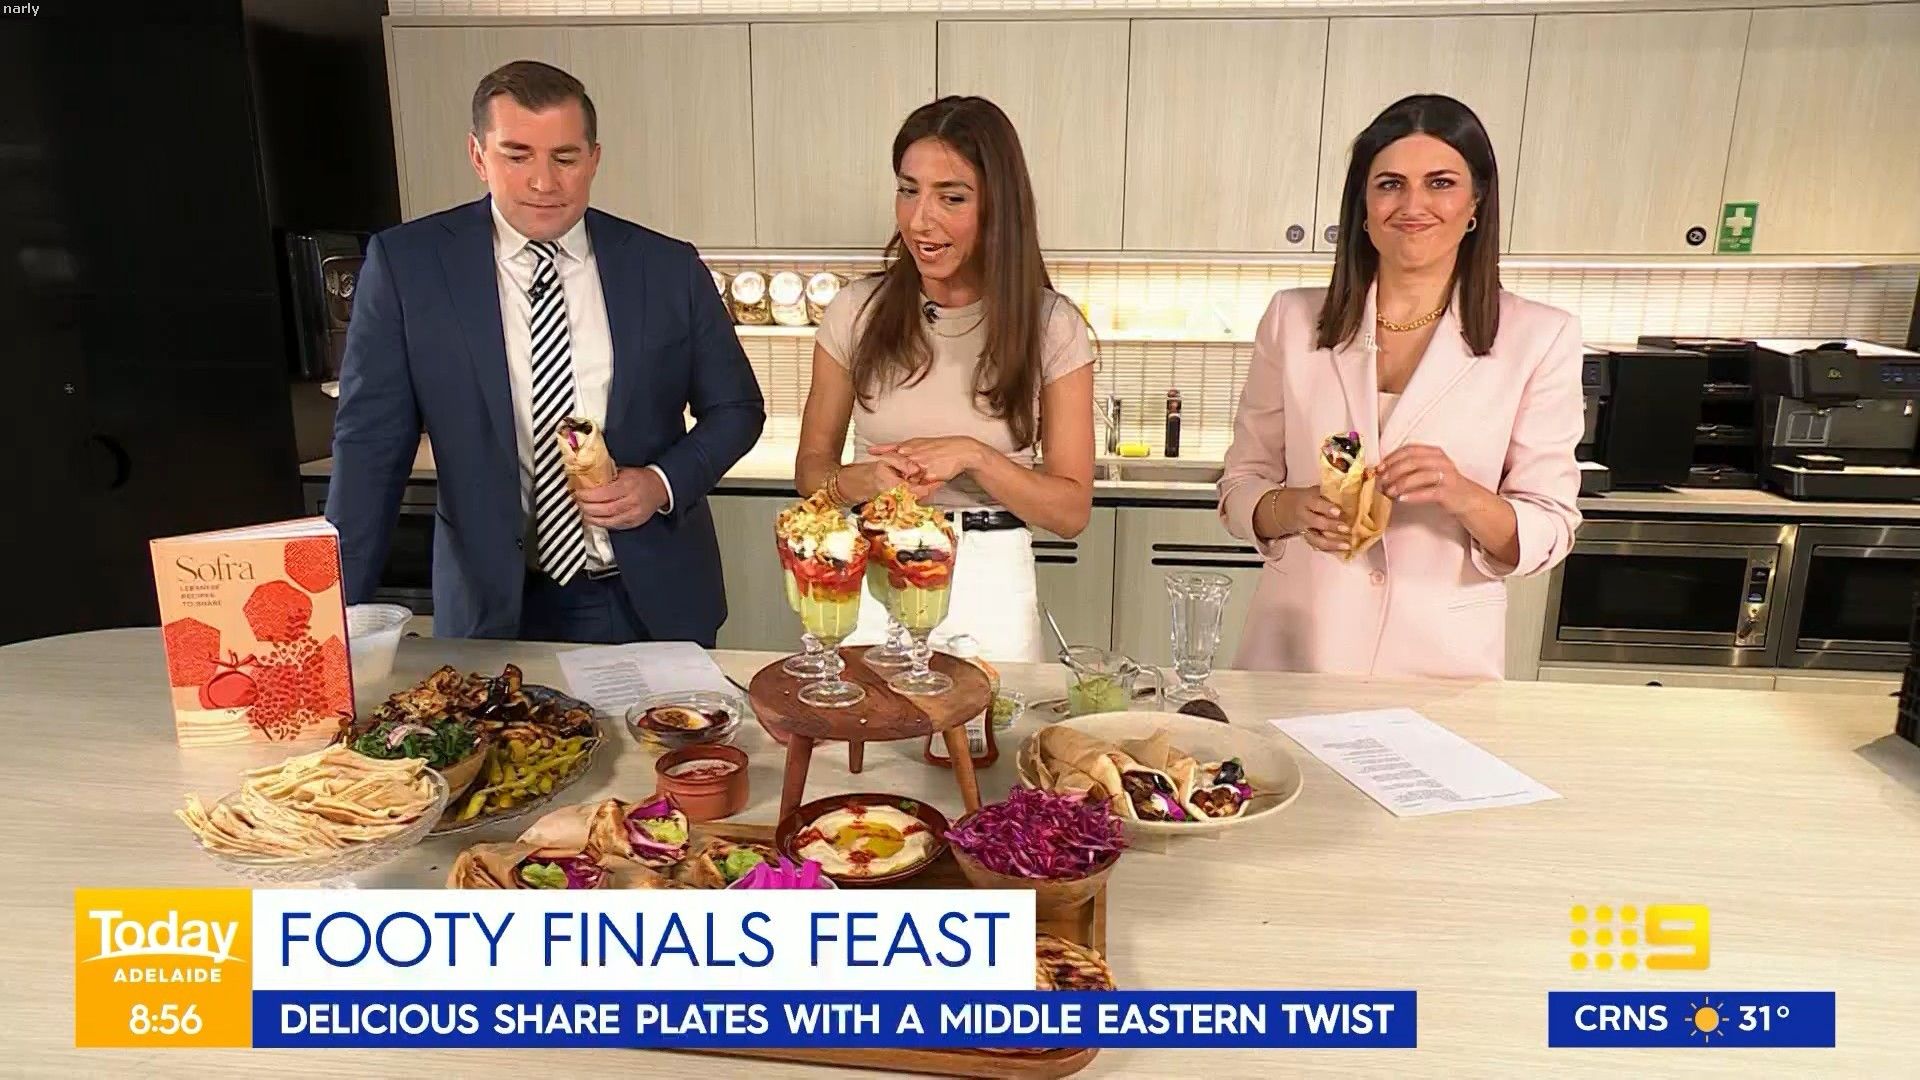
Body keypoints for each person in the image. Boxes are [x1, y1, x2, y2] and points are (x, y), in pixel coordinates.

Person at [329, 60, 764, 645]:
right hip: (491, 607)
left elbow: (737, 409)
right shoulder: (409, 267)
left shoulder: (666, 267)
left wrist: (661, 482)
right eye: (517, 156)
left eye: (564, 158)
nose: (544, 182)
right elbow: (369, 449)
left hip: (646, 599)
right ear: (478, 156)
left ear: (594, 159)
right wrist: (331, 618)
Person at [1217, 94, 1582, 679]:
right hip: (1294, 653)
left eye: (1440, 183)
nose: (1413, 205)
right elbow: (1240, 486)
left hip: (1441, 666)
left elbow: (1551, 528)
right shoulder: (1292, 320)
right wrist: (1290, 508)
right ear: (1363, 207)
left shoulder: (1540, 337)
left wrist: (1462, 494)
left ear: (1475, 203)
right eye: (1390, 184)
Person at [793, 96, 1097, 663]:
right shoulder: (855, 312)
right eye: (908, 190)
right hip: (873, 565)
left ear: (998, 205)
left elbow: (1070, 511)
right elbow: (811, 472)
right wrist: (864, 481)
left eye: (951, 197)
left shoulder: (1052, 326)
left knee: (991, 718)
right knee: (868, 714)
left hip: (991, 575)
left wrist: (973, 456)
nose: (919, 220)